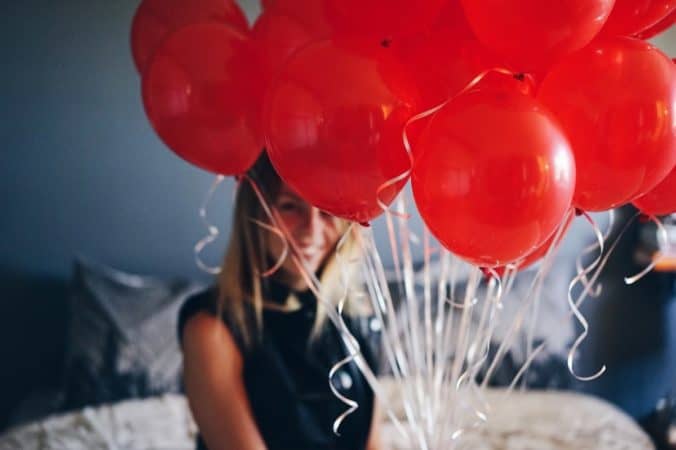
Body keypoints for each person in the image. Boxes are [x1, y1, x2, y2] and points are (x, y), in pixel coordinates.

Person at [178, 152, 383, 450]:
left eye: (326, 210)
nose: (311, 231)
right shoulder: (212, 328)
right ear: (256, 214)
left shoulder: (356, 321)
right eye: (290, 207)